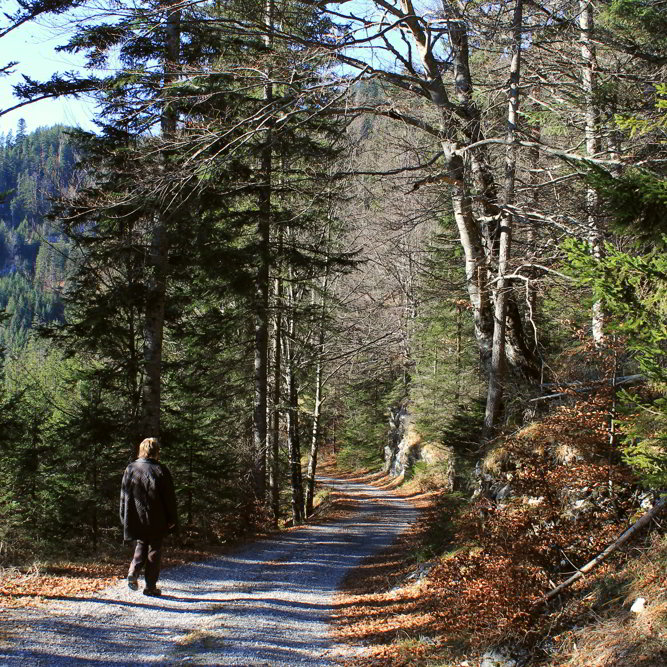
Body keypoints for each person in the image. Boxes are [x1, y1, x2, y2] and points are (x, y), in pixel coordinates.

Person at [120, 437, 178, 597]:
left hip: (136, 515)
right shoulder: (161, 470)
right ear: (156, 451)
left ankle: (133, 570)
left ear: (142, 450)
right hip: (157, 517)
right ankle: (150, 587)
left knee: (141, 543)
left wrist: (123, 516)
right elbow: (169, 497)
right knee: (154, 550)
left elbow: (124, 495)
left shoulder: (131, 468)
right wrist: (172, 518)